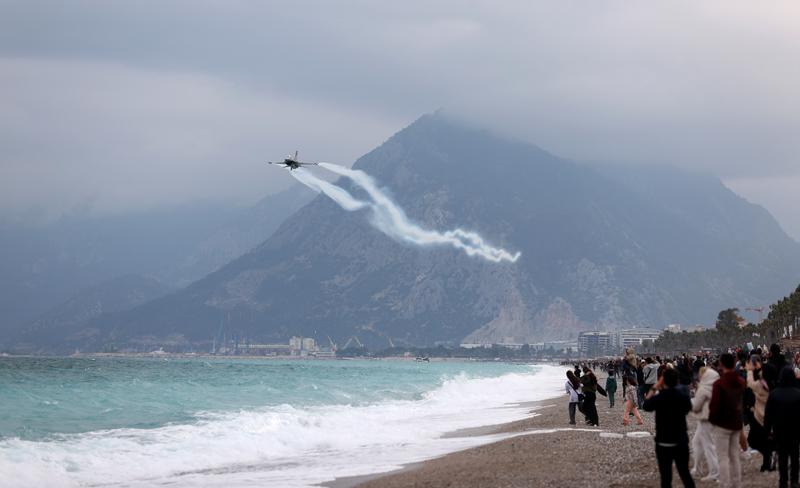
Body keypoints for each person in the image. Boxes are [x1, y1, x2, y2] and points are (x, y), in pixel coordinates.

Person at [643, 368, 695, 488]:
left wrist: (655, 387)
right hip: (680, 440)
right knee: (684, 473)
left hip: (663, 441)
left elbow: (646, 405)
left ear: (663, 381)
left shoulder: (659, 398)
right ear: (677, 380)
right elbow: (688, 408)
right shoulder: (683, 396)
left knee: (666, 477)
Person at [709, 352, 747, 488]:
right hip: (736, 422)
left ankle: (725, 484)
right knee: (734, 455)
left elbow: (714, 406)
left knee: (723, 457)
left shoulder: (719, 384)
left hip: (722, 424)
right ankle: (737, 483)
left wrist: (712, 421)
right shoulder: (741, 382)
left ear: (721, 364)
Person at [764, 367, 800, 488]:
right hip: (796, 430)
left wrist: (767, 431)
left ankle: (783, 481)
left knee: (782, 456)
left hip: (779, 430)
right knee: (795, 456)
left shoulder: (774, 394)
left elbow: (768, 415)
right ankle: (794, 480)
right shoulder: (798, 393)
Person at [690, 366, 720, 481]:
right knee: (697, 442)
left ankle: (715, 472)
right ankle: (697, 468)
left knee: (708, 445)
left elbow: (696, 406)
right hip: (713, 417)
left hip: (705, 419)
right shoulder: (717, 386)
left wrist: (687, 404)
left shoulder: (703, 388)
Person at [745, 354, 774, 472]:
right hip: (767, 414)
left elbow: (750, 383)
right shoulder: (770, 381)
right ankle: (767, 461)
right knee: (765, 439)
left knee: (753, 440)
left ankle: (768, 458)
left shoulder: (761, 384)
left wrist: (749, 371)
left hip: (760, 415)